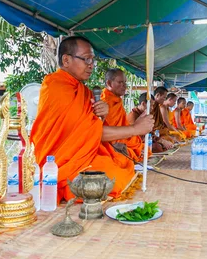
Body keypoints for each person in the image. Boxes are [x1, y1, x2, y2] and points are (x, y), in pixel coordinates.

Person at [30, 36, 154, 202]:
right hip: (60, 162)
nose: (91, 65)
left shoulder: (83, 90)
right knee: (113, 177)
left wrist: (102, 114)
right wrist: (136, 129)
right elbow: (91, 133)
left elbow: (89, 130)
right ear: (66, 60)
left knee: (122, 164)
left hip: (82, 154)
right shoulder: (57, 88)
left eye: (92, 60)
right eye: (86, 59)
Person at [101, 68, 145, 162]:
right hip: (112, 144)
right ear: (109, 83)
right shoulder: (104, 103)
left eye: (125, 82)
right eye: (120, 82)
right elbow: (103, 134)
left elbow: (123, 125)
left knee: (144, 148)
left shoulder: (117, 101)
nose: (124, 86)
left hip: (124, 139)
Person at [150, 87, 176, 152]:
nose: (164, 100)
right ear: (158, 95)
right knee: (158, 147)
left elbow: (161, 124)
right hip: (152, 135)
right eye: (164, 97)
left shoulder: (157, 106)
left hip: (158, 133)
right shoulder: (151, 107)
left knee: (171, 139)